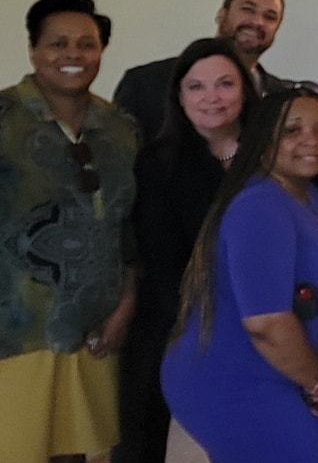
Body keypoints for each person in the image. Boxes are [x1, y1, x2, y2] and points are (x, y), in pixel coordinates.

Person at [160, 86, 318, 463]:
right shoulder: (260, 206)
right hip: (232, 378)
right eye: (292, 131)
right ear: (263, 141)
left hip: (293, 369)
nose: (310, 141)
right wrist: (316, 379)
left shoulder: (308, 194)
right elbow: (265, 323)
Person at [0, 0, 139, 463]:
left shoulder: (121, 128)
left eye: (87, 44)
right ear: (33, 49)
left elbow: (129, 228)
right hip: (15, 332)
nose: (73, 55)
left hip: (94, 331)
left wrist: (127, 301)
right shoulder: (4, 119)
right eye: (58, 44)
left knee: (79, 455)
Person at [119, 38, 260, 463]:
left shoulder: (271, 156)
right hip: (177, 317)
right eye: (196, 87)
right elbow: (162, 262)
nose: (211, 98)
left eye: (224, 84)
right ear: (178, 96)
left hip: (262, 316)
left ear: (245, 90)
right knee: (140, 434)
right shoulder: (156, 162)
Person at [113, 0, 290, 142]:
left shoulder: (282, 99)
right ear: (221, 15)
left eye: (270, 17)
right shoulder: (145, 83)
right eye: (248, 9)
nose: (257, 21)